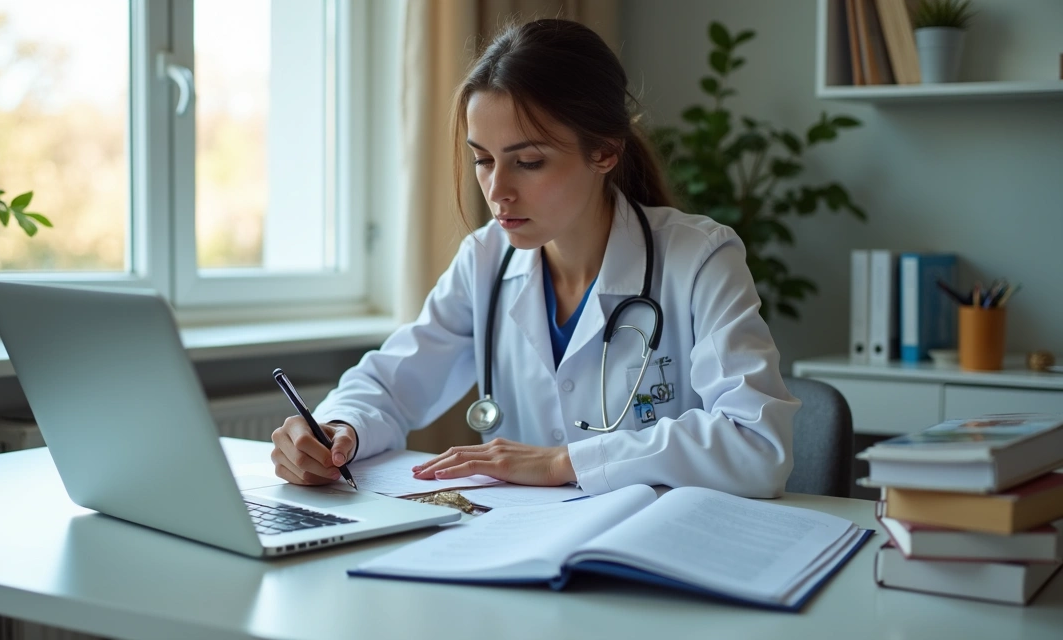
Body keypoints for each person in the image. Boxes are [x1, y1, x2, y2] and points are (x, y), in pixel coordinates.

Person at [270, 18, 799, 498]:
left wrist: (565, 462)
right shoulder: (486, 259)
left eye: (527, 161)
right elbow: (390, 382)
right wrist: (338, 430)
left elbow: (756, 445)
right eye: (482, 160)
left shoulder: (699, 258)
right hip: (526, 551)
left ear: (604, 153)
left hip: (659, 552)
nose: (497, 190)